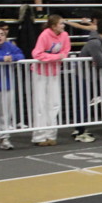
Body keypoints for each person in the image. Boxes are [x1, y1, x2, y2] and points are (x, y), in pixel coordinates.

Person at [30, 14, 71, 146]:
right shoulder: (44, 35)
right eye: (61, 23)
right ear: (53, 26)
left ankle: (51, 135)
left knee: (54, 103)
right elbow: (37, 54)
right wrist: (56, 57)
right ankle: (39, 136)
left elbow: (66, 51)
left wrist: (59, 57)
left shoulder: (65, 35)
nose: (63, 26)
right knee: (40, 104)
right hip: (40, 73)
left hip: (54, 72)